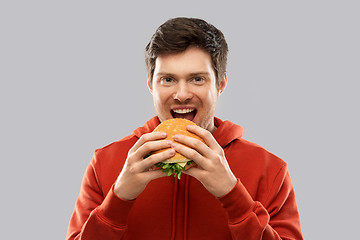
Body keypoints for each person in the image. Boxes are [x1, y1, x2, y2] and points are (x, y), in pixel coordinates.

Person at [66, 17, 303, 240]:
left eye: (197, 79)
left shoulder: (271, 169)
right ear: (150, 84)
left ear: (220, 84)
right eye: (167, 79)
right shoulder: (105, 162)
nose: (181, 95)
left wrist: (233, 195)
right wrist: (118, 199)